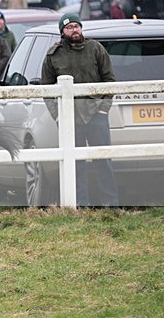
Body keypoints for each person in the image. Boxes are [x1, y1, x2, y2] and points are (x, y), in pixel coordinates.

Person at [41, 13, 119, 207]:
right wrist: (57, 114)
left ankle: (111, 205)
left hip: (96, 114)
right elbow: (46, 88)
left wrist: (104, 108)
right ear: (62, 31)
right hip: (69, 117)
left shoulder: (96, 49)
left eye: (77, 26)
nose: (74, 30)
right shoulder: (53, 55)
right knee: (75, 164)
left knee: (103, 161)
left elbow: (109, 80)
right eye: (69, 27)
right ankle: (80, 205)